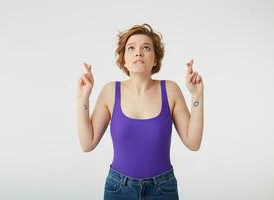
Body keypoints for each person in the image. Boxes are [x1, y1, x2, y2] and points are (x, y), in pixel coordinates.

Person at [76, 23, 204, 200]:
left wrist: (197, 96)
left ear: (155, 59)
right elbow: (87, 143)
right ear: (124, 61)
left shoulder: (170, 90)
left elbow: (193, 142)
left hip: (163, 189)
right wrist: (83, 98)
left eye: (146, 47)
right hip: (119, 189)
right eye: (131, 48)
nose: (138, 53)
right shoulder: (110, 92)